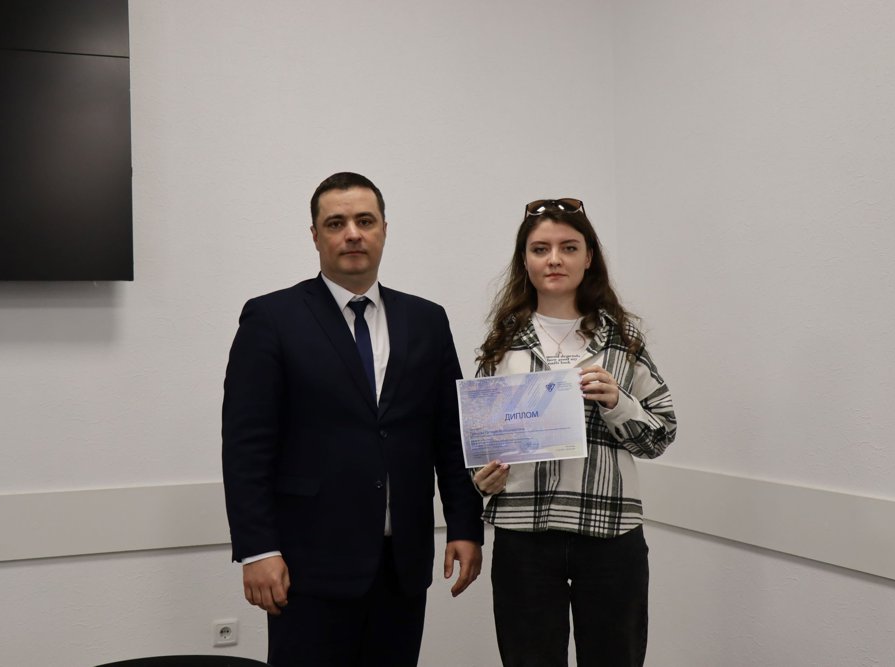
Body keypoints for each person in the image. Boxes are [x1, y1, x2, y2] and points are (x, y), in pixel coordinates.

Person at [221, 172, 484, 667]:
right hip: (307, 566)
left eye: (365, 221)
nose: (352, 234)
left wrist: (465, 526)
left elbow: (452, 436)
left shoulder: (427, 320)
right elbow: (246, 446)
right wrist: (257, 550)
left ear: (384, 229)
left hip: (402, 566)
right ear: (315, 235)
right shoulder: (271, 318)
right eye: (336, 223)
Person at [472, 198, 677, 667]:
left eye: (568, 247)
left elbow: (661, 435)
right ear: (524, 260)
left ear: (589, 258)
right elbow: (480, 445)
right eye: (540, 249)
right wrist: (481, 478)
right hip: (523, 535)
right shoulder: (501, 345)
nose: (554, 259)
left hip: (610, 533)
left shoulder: (623, 344)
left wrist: (618, 402)